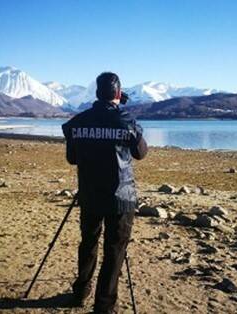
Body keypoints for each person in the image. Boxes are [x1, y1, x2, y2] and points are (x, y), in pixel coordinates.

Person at [62, 72, 147, 314]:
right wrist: (123, 114)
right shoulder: (126, 120)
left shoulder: (78, 122)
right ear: (118, 94)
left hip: (89, 194)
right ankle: (104, 305)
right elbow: (141, 152)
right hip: (121, 198)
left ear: (97, 93)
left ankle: (80, 293)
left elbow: (72, 158)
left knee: (88, 242)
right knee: (115, 249)